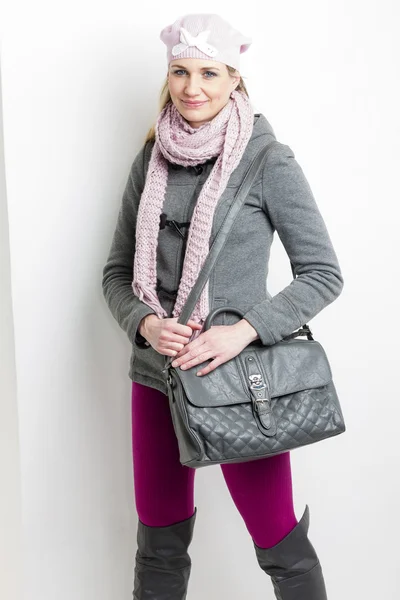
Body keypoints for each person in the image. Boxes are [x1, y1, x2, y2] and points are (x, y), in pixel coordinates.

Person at [102, 13, 344, 600]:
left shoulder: (268, 161)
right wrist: (145, 324)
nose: (193, 88)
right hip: (156, 377)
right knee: (157, 543)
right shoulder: (150, 160)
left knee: (277, 538)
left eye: (209, 73)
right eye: (181, 72)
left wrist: (244, 332)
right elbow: (115, 274)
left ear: (233, 78)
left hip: (241, 382)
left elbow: (323, 275)